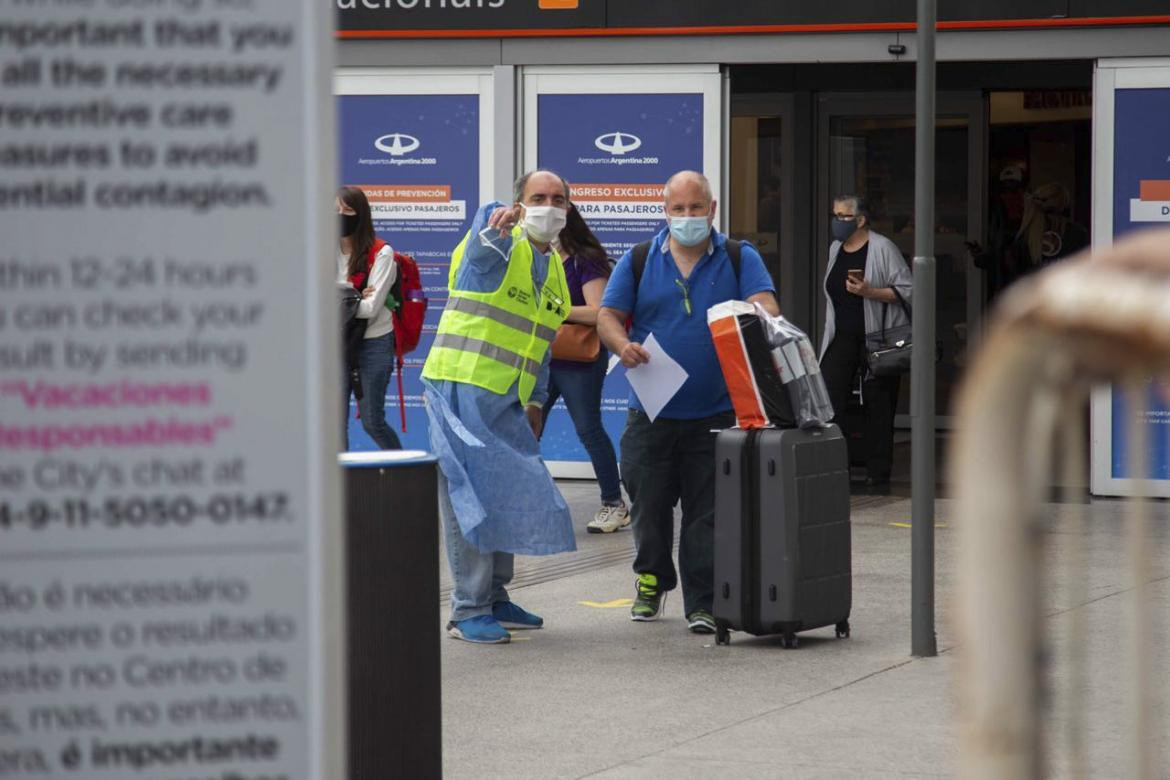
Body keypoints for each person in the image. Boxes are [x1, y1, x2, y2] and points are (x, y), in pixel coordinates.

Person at [597, 170, 779, 634]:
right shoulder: (639, 259)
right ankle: (652, 581)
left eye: (696, 208)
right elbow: (607, 316)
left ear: (712, 210)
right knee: (648, 505)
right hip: (651, 411)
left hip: (717, 411)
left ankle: (702, 601)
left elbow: (768, 308)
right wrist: (621, 346)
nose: (687, 217)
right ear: (666, 211)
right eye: (678, 209)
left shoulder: (739, 256)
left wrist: (750, 314)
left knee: (707, 514)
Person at [421, 169, 575, 645]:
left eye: (557, 198)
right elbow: (480, 257)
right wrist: (492, 232)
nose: (548, 206)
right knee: (469, 498)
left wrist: (534, 400)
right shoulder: (499, 243)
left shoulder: (554, 272)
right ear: (519, 204)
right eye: (537, 197)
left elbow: (541, 344)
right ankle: (468, 608)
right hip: (460, 389)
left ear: (568, 209)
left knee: (506, 493)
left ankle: (495, 595)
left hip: (506, 400)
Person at [542, 204, 628, 533]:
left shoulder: (585, 258)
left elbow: (599, 312)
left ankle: (614, 504)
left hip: (578, 359)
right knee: (526, 428)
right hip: (544, 356)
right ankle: (528, 500)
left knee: (588, 429)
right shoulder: (541, 258)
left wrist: (555, 311)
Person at [818, 194, 912, 489]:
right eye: (835, 215)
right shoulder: (836, 249)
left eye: (844, 216)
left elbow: (909, 291)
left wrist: (871, 292)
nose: (838, 222)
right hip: (842, 337)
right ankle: (835, 467)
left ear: (860, 220)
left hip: (878, 339)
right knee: (830, 401)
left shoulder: (883, 248)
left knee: (879, 405)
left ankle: (878, 472)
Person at [337, 186, 401, 451]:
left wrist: (342, 298)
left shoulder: (382, 253)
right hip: (336, 344)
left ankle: (404, 473)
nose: (340, 215)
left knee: (372, 422)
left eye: (347, 210)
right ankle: (338, 486)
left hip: (374, 343)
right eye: (334, 210)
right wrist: (353, 297)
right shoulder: (321, 251)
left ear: (361, 214)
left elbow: (371, 308)